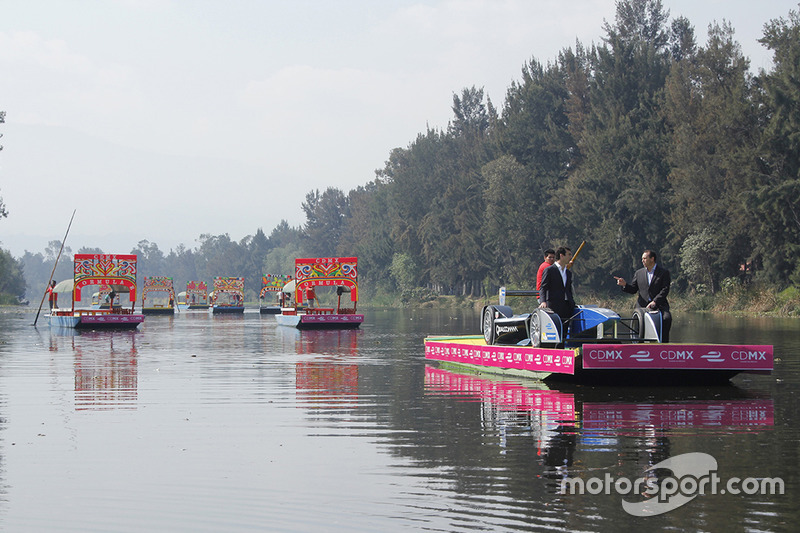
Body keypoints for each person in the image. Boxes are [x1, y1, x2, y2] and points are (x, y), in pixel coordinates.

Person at [614, 249, 672, 342]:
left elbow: (665, 289)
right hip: (642, 307)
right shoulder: (639, 273)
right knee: (639, 325)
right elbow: (633, 289)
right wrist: (624, 285)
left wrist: (655, 301)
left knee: (666, 318)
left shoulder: (663, 273)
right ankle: (639, 345)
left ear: (652, 259)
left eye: (645, 258)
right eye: (642, 259)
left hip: (659, 305)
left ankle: (663, 344)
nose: (642, 261)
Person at [538, 246, 576, 330]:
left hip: (566, 306)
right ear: (562, 255)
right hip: (554, 305)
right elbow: (543, 287)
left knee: (565, 331)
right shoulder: (550, 270)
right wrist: (543, 301)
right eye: (569, 254)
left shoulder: (568, 273)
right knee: (554, 330)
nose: (570, 257)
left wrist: (572, 302)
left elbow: (568, 289)